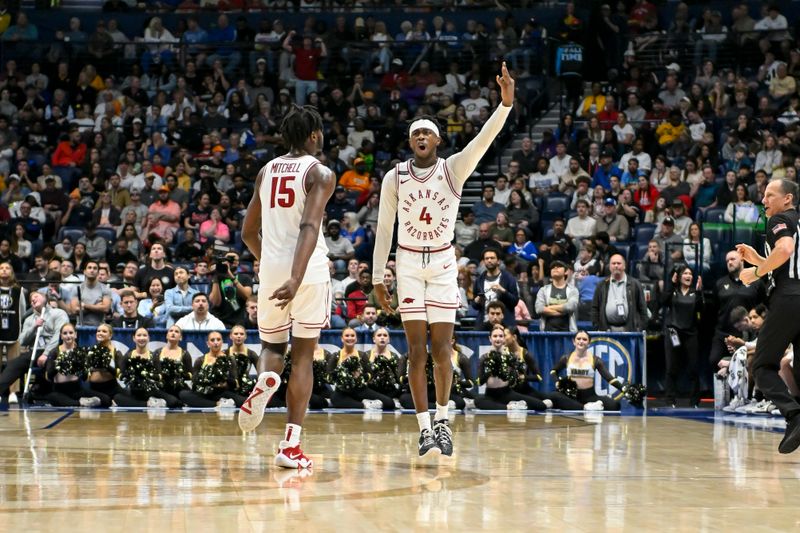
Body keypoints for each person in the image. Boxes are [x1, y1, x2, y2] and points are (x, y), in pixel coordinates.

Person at [372, 63, 514, 459]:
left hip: (443, 265)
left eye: (427, 132)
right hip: (408, 265)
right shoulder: (394, 177)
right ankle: (423, 429)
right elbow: (384, 228)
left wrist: (504, 106)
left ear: (437, 140)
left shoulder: (453, 169)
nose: (420, 137)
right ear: (410, 141)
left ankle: (443, 422)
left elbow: (483, 141)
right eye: (415, 132)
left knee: (442, 348)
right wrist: (378, 276)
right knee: (415, 351)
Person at [236, 105, 334, 470]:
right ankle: (290, 446)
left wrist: (273, 266)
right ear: (313, 135)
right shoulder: (320, 172)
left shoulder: (266, 170)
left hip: (273, 269)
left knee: (271, 347)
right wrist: (296, 276)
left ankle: (265, 378)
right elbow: (310, 226)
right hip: (306, 271)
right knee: (304, 356)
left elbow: (248, 232)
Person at [737, 179, 800, 453]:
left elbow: (785, 251)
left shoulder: (780, 220)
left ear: (787, 198)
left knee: (762, 366)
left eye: (769, 195)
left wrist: (757, 272)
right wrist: (757, 261)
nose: (763, 200)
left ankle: (794, 417)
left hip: (789, 299)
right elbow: (785, 262)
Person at [474, 325, 548, 410]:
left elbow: (518, 376)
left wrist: (513, 373)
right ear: (490, 338)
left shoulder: (510, 357)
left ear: (504, 339)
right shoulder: (484, 358)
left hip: (507, 393)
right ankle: (508, 407)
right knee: (478, 401)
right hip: (490, 394)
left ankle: (506, 406)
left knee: (540, 405)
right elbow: (479, 382)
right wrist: (490, 372)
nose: (498, 338)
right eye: (495, 336)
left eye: (501, 336)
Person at [549, 330, 624, 410]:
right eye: (578, 339)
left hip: (590, 396)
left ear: (589, 343)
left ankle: (581, 407)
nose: (581, 341)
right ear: (574, 342)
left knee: (615, 405)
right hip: (571, 396)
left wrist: (623, 388)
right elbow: (553, 371)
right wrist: (557, 382)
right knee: (553, 396)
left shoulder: (595, 360)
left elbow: (609, 379)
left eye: (584, 339)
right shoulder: (566, 358)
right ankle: (587, 407)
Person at [662, 265, 704, 408]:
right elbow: (663, 301)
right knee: (671, 367)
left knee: (693, 367)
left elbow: (701, 309)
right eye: (685, 273)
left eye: (690, 274)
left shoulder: (694, 292)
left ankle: (695, 401)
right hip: (674, 332)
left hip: (690, 333)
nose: (688, 276)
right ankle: (670, 400)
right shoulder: (672, 291)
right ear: (679, 277)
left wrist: (699, 292)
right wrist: (671, 284)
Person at [115, 328, 183, 408]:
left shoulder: (154, 356)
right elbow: (121, 375)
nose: (141, 338)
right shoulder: (128, 356)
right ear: (134, 338)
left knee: (174, 402)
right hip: (134, 390)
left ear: (148, 338)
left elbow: (160, 375)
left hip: (151, 390)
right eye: (139, 335)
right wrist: (131, 376)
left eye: (144, 335)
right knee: (117, 398)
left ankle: (150, 401)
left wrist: (147, 375)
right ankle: (148, 404)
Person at [179, 331, 247, 409]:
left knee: (243, 401)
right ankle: (217, 404)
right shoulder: (200, 360)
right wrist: (207, 381)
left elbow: (235, 382)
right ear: (208, 343)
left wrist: (225, 382)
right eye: (212, 340)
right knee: (183, 394)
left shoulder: (230, 359)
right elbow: (194, 382)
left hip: (223, 392)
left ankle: (218, 403)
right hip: (205, 394)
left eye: (218, 340)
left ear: (222, 342)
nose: (216, 342)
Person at [591, 254, 649, 332]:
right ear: (609, 266)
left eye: (618, 263)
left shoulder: (635, 284)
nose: (616, 266)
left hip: (630, 331)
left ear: (624, 266)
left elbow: (643, 309)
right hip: (606, 330)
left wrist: (640, 327)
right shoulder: (602, 284)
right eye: (613, 263)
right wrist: (597, 326)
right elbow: (595, 307)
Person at [472, 248, 520, 328]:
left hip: (505, 324)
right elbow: (474, 305)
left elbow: (515, 301)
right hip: (483, 323)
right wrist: (476, 301)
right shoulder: (479, 280)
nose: (489, 260)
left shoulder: (508, 278)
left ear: (498, 261)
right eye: (487, 258)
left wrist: (503, 291)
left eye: (492, 258)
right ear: (483, 262)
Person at [535, 260, 578, 332]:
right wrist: (562, 312)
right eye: (553, 267)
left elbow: (570, 306)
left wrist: (549, 307)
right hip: (547, 332)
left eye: (559, 266)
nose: (555, 268)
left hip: (567, 333)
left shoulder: (573, 290)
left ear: (566, 271)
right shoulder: (543, 290)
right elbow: (539, 309)